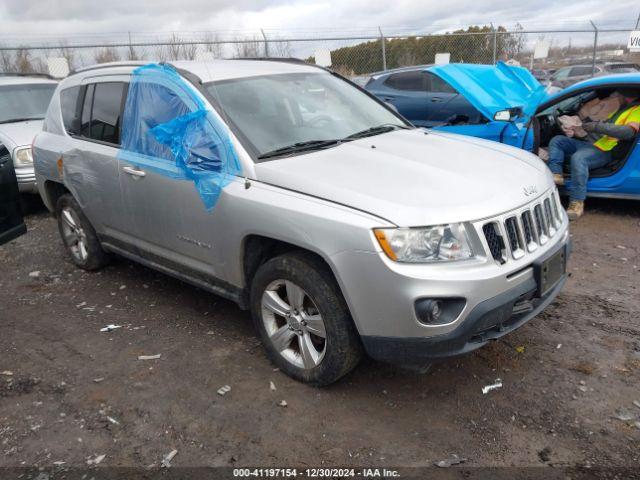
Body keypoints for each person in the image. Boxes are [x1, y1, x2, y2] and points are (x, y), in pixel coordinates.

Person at [547, 89, 640, 220]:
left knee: (579, 158)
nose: (615, 96)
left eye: (618, 93)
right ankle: (556, 174)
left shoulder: (637, 111)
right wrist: (579, 129)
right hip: (596, 144)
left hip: (607, 150)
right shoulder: (623, 109)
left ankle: (577, 202)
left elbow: (628, 132)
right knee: (558, 140)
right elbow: (606, 129)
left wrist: (596, 127)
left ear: (627, 95)